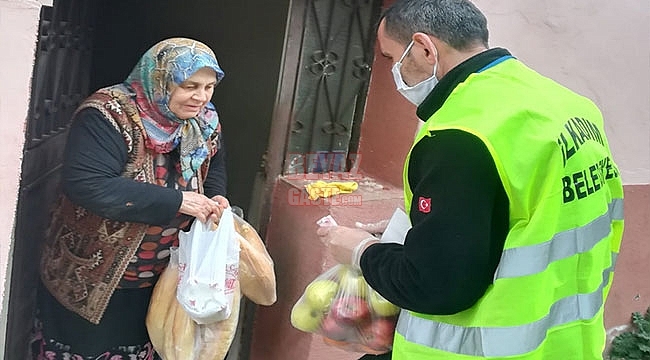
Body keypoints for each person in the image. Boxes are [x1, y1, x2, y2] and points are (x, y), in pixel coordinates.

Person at [317, 0, 625, 359]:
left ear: (424, 49)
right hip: (568, 342)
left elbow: (435, 285)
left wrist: (359, 250)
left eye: (391, 59)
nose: (393, 74)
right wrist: (433, 220)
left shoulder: (461, 133)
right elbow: (532, 209)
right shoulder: (569, 106)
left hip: (487, 347)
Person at [29, 37, 230, 359]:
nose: (200, 97)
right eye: (189, 85)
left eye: (209, 87)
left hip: (163, 274)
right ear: (159, 78)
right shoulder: (108, 113)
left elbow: (213, 164)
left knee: (146, 343)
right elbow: (89, 184)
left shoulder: (204, 120)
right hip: (93, 273)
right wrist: (179, 201)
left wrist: (217, 197)